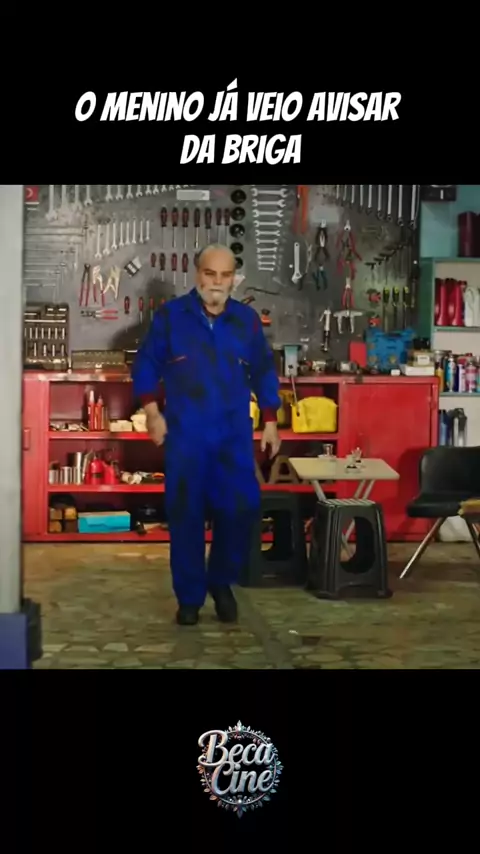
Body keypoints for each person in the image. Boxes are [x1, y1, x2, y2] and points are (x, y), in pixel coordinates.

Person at [131, 244, 281, 626]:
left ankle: (221, 581)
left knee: (241, 509)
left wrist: (270, 419)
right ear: (197, 274)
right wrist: (152, 413)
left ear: (234, 279)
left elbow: (264, 369)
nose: (217, 282)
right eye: (210, 273)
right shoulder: (171, 317)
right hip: (187, 435)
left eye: (225, 275)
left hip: (232, 436)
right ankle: (190, 598)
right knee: (186, 516)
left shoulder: (246, 321)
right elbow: (146, 364)